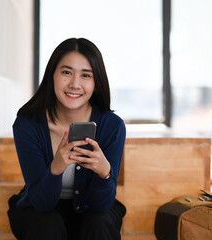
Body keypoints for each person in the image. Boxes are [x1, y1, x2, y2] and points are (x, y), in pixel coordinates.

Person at [7, 38, 126, 240]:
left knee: (99, 222)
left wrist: (104, 173)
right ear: (52, 75)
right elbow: (42, 203)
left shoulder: (112, 126)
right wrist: (56, 169)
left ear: (96, 83)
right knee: (47, 225)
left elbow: (101, 205)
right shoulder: (28, 125)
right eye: (66, 72)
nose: (74, 84)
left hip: (92, 207)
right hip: (39, 209)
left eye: (86, 75)